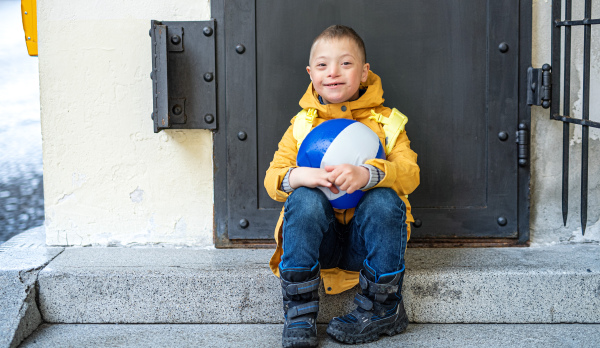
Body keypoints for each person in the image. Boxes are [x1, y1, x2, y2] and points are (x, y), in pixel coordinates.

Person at [264, 25, 420, 347]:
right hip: (319, 246)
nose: (333, 72)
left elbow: (410, 173)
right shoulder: (303, 124)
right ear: (311, 73)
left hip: (365, 248)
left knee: (384, 200)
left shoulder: (387, 122)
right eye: (322, 65)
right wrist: (297, 176)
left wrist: (369, 175)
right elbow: (272, 178)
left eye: (345, 64)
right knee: (304, 198)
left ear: (364, 72)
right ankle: (299, 313)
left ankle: (383, 310)